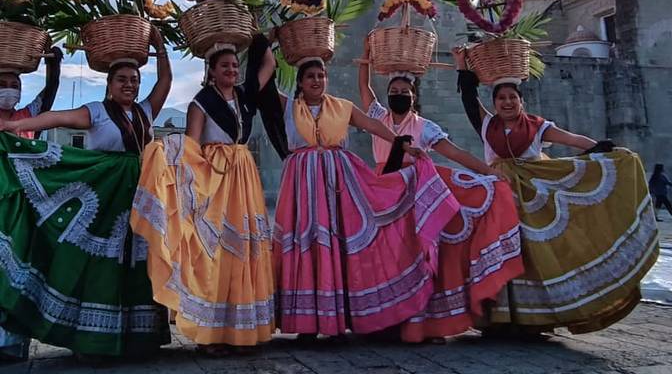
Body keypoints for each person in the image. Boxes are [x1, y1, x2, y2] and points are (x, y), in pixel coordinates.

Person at [454, 46, 660, 336]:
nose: (507, 102)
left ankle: (537, 316)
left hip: (533, 201)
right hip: (498, 196)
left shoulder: (538, 127)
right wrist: (462, 63)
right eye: (501, 98)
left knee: (533, 255)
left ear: (522, 101)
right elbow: (468, 97)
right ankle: (498, 315)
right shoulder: (487, 125)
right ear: (495, 103)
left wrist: (604, 148)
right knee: (498, 250)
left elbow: (573, 139)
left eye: (513, 97)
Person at [0, 28, 171, 359]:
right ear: (109, 84)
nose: (129, 85)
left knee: (137, 264)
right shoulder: (96, 111)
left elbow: (164, 82)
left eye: (134, 79)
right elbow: (54, 117)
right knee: (101, 266)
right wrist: (14, 127)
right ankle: (94, 342)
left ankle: (139, 340)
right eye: (121, 79)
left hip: (138, 198)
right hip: (103, 199)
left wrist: (160, 47)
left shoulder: (145, 112)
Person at [266, 52, 460, 340]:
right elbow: (264, 84)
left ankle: (336, 319)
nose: (317, 81)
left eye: (321, 76)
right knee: (306, 242)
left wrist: (403, 147)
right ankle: (306, 324)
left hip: (336, 182)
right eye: (310, 77)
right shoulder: (288, 108)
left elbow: (374, 126)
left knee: (336, 244)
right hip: (301, 184)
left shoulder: (343, 107)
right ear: (301, 82)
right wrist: (266, 44)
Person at [358, 38, 523, 343]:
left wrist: (489, 173)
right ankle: (386, 318)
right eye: (393, 93)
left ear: (413, 96)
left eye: (404, 93)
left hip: (416, 195)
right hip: (382, 191)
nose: (398, 96)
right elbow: (364, 88)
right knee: (385, 256)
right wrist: (367, 54)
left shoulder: (424, 127)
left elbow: (456, 153)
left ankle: (423, 322)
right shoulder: (378, 117)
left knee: (419, 255)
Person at [131, 35, 276, 357]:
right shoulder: (201, 102)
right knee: (216, 254)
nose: (232, 70)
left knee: (245, 252)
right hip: (215, 179)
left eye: (235, 65)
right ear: (211, 71)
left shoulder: (243, 96)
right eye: (225, 66)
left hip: (244, 176)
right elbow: (191, 145)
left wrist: (260, 36)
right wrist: (164, 153)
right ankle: (211, 334)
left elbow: (269, 64)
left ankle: (242, 331)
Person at [0, 45, 62, 362]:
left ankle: (13, 343)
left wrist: (55, 63)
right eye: (4, 84)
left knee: (20, 274)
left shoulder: (27, 117)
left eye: (16, 85)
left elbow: (49, 93)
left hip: (22, 207)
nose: (10, 90)